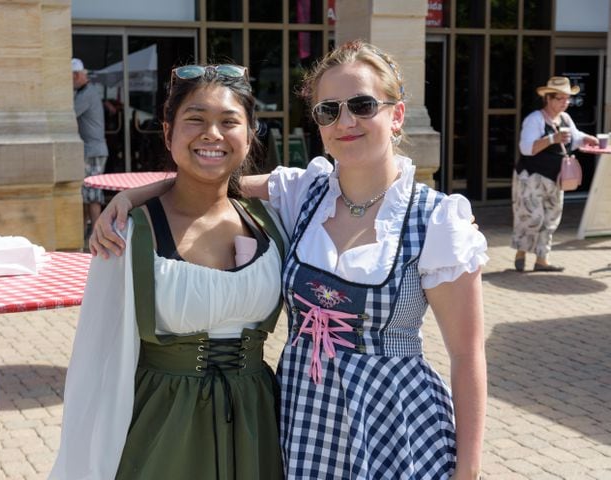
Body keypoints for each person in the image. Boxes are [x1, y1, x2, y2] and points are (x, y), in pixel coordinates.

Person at [92, 41, 487, 480]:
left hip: (392, 422)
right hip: (305, 418)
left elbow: (466, 355)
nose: (345, 121)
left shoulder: (436, 220)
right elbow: (217, 178)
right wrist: (129, 197)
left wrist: (467, 470)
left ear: (396, 115)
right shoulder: (307, 192)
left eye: (362, 105)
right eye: (328, 110)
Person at [50, 64, 287, 479]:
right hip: (163, 429)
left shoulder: (275, 219)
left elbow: (347, 181)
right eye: (194, 119)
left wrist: (133, 190)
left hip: (256, 425)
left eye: (229, 122)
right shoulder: (127, 234)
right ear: (168, 133)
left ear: (249, 138)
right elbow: (97, 361)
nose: (212, 134)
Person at [514, 76, 598, 272]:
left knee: (551, 218)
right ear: (548, 99)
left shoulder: (566, 119)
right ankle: (521, 252)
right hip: (532, 176)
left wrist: (588, 139)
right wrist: (552, 138)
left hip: (556, 177)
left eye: (567, 98)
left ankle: (542, 259)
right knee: (531, 217)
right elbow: (526, 148)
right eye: (560, 98)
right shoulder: (534, 119)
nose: (565, 102)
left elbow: (574, 139)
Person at [72, 58, 109, 232]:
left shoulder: (86, 93)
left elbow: (70, 113)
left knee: (93, 194)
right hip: (91, 149)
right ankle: (88, 231)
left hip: (93, 150)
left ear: (77, 75)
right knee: (87, 194)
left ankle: (96, 232)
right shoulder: (84, 91)